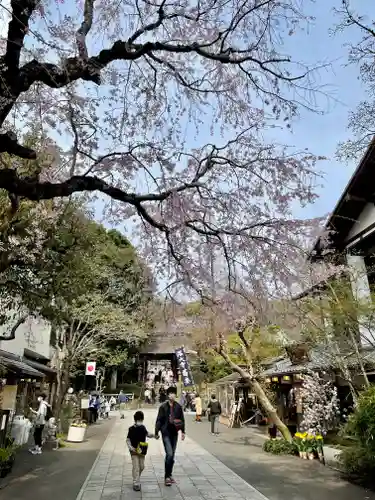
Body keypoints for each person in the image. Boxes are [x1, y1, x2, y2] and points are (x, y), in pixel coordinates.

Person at [155, 386, 185, 486]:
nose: (172, 395)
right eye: (170, 393)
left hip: (174, 433)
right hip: (166, 432)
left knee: (172, 456)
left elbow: (182, 419)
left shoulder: (178, 406)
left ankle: (169, 474)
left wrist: (183, 432)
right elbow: (159, 420)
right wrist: (156, 431)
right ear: (168, 395)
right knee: (170, 454)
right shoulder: (163, 407)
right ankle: (167, 477)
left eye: (173, 393)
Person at [127, 411, 154, 491]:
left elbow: (147, 434)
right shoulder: (131, 429)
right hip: (134, 451)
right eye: (139, 420)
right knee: (136, 467)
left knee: (141, 466)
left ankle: (136, 477)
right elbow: (128, 440)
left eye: (141, 420)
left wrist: (154, 435)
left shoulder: (143, 428)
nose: (140, 421)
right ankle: (136, 483)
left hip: (142, 450)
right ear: (135, 420)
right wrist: (131, 447)